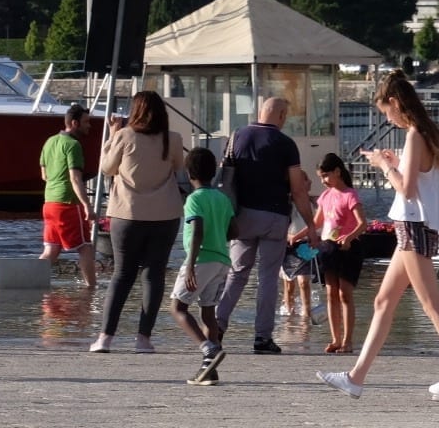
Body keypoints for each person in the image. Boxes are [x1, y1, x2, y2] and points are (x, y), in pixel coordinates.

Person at [316, 71, 439, 403]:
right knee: (383, 302)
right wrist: (395, 163)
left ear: (394, 102)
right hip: (415, 227)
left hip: (414, 226)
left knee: (433, 307)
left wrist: (382, 165)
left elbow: (405, 190)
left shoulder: (413, 136)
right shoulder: (426, 133)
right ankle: (355, 378)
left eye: (384, 110)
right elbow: (418, 181)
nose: (386, 117)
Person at [215, 94, 317, 355]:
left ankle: (217, 327)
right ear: (281, 116)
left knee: (237, 273)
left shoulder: (237, 137)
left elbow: (225, 176)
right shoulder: (285, 144)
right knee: (268, 278)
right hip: (274, 217)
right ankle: (262, 338)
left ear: (261, 112)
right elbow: (297, 189)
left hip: (242, 215)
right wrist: (311, 226)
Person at [90, 90, 185, 354]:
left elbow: (107, 167)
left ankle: (105, 338)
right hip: (165, 214)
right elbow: (179, 167)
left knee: (122, 275)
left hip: (126, 214)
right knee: (153, 275)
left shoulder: (124, 136)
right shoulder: (173, 139)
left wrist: (111, 135)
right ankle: (143, 339)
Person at [171, 147, 233, 386]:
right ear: (214, 171)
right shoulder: (222, 198)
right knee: (208, 312)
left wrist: (190, 266)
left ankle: (209, 349)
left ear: (188, 173)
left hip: (202, 259)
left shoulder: (194, 199)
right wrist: (218, 230)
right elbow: (234, 230)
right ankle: (210, 371)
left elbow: (196, 230)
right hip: (222, 260)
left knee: (177, 307)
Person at [309, 153, 364, 355]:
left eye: (325, 175)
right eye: (320, 177)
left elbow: (362, 223)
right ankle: (335, 339)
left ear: (337, 172)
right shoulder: (325, 196)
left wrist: (349, 237)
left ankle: (348, 341)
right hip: (328, 247)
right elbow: (316, 223)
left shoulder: (350, 195)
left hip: (349, 249)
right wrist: (295, 236)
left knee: (345, 294)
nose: (323, 181)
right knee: (331, 293)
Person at [39, 103, 97, 288]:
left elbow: (44, 175)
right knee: (85, 247)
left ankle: (29, 280)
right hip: (67, 204)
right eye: (86, 122)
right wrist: (87, 205)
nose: (89, 126)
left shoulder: (49, 141)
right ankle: (92, 288)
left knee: (52, 249)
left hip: (49, 203)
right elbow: (75, 178)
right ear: (74, 123)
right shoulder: (73, 145)